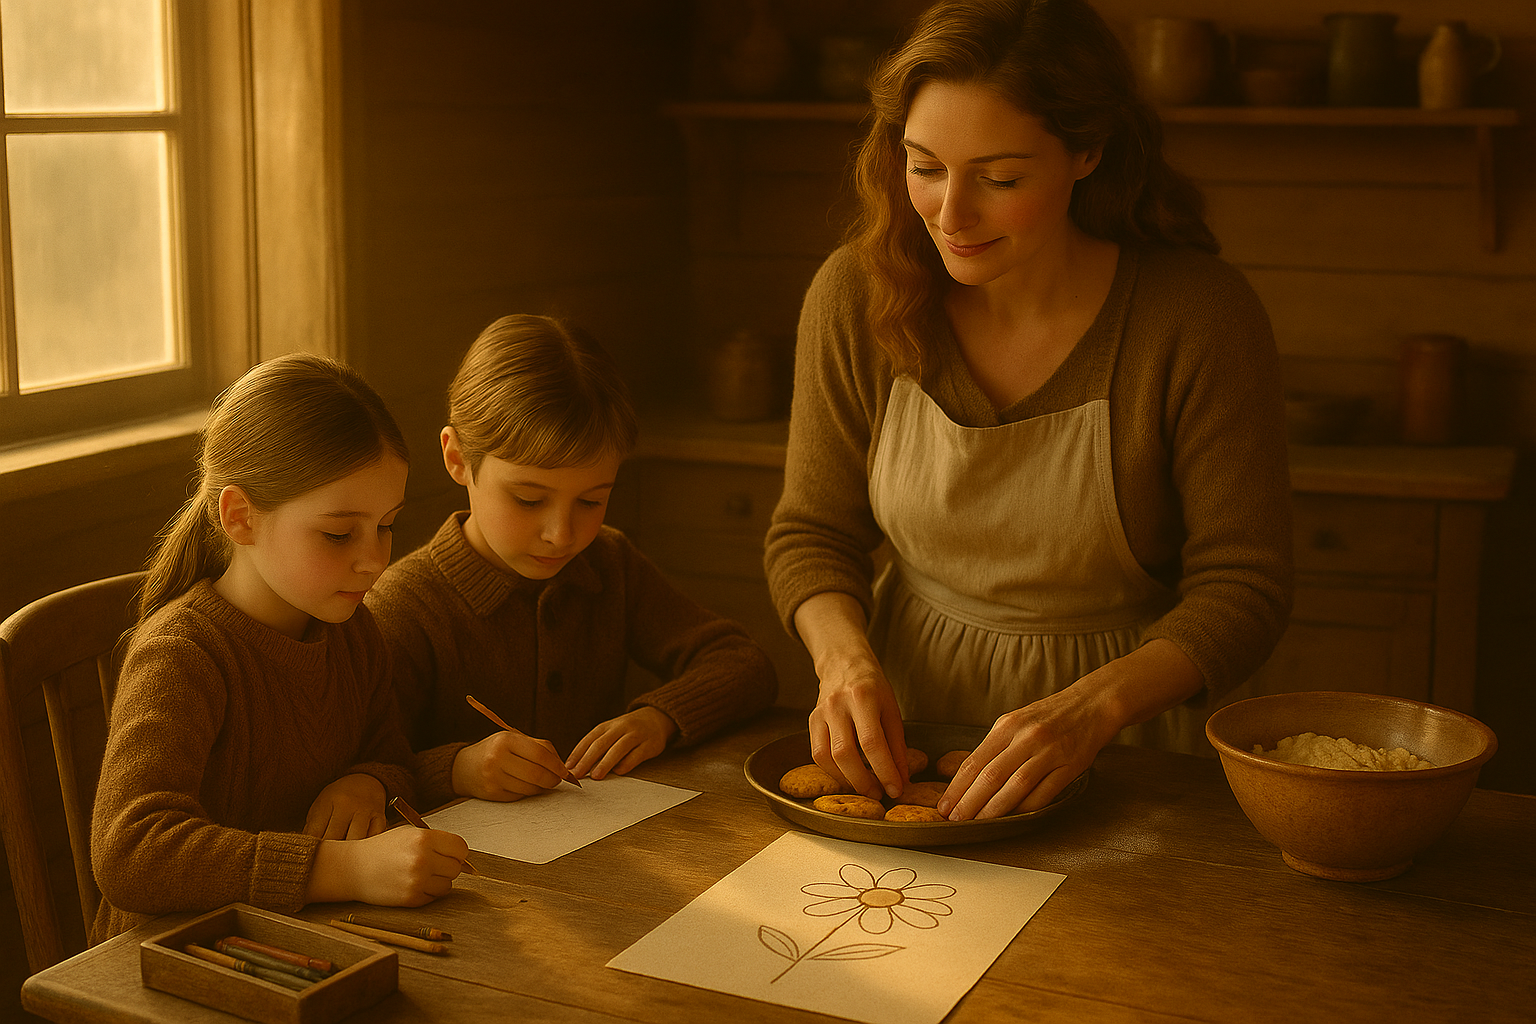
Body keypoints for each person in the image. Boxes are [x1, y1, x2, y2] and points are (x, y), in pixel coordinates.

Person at [764, 0, 1293, 822]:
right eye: (924, 165)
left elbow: (1245, 586)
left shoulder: (1195, 317)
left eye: (999, 178)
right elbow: (812, 532)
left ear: (1087, 151)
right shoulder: (855, 294)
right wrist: (843, 664)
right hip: (911, 715)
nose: (948, 213)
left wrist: (1093, 709)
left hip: (1128, 743)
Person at [91, 354, 468, 944]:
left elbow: (391, 752)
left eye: (387, 525)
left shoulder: (351, 629)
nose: (374, 559)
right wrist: (343, 869)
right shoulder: (181, 653)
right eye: (339, 534)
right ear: (241, 517)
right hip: (178, 959)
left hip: (307, 934)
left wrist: (369, 780)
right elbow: (132, 852)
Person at [367, 314, 777, 809]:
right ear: (457, 459)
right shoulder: (402, 606)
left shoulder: (607, 563)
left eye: (591, 501)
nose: (563, 535)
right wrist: (457, 769)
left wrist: (659, 718)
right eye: (528, 499)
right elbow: (363, 767)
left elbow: (744, 663)